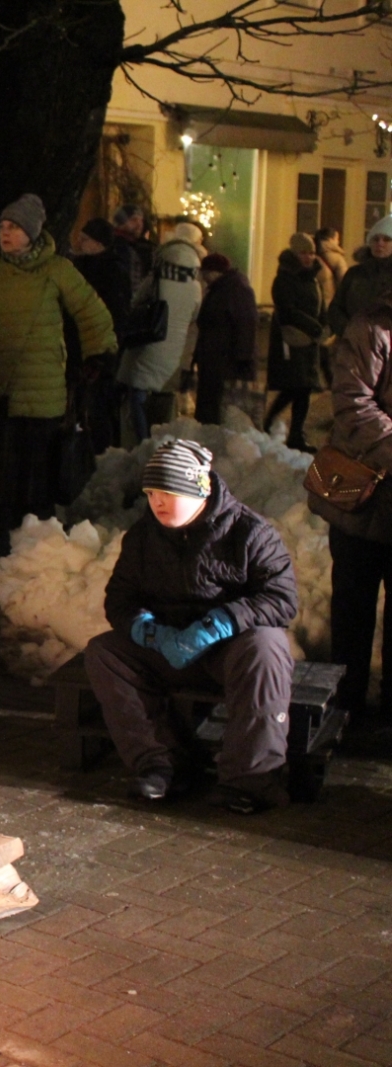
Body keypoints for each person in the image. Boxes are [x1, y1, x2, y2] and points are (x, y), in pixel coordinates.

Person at [86, 439, 297, 814]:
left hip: (229, 650)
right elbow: (120, 599)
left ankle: (249, 779)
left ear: (200, 490)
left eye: (168, 492)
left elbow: (281, 599)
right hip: (168, 648)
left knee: (267, 646)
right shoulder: (143, 537)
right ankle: (160, 763)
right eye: (151, 493)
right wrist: (147, 630)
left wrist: (222, 622)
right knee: (105, 652)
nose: (158, 502)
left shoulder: (250, 533)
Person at [0, 194, 115, 560]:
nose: (6, 233)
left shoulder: (57, 271)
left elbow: (90, 312)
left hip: (41, 395)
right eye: (3, 227)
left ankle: (35, 546)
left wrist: (98, 355)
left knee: (35, 474)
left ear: (32, 233)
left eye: (14, 227)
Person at [310, 283, 392, 746]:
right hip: (362, 501)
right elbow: (354, 405)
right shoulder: (370, 329)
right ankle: (345, 708)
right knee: (354, 610)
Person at [116, 222, 202, 444]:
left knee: (137, 391)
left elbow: (136, 302)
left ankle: (142, 439)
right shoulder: (195, 287)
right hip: (174, 347)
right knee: (163, 395)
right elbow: (194, 315)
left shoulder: (156, 279)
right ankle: (162, 440)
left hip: (149, 340)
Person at [70, 217, 132, 451]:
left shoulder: (110, 271)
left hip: (101, 349)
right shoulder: (83, 265)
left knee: (98, 406)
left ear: (98, 243)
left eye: (85, 239)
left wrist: (104, 352)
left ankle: (101, 453)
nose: (79, 241)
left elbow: (115, 315)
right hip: (86, 346)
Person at [263, 233, 329, 452]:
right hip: (292, 341)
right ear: (294, 253)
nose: (309, 257)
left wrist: (323, 324)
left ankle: (295, 434)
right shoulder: (285, 278)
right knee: (295, 386)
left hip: (309, 341)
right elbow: (288, 309)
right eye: (304, 252)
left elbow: (319, 304)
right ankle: (273, 423)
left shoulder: (311, 277)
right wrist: (315, 326)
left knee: (303, 388)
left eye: (311, 252)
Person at [190, 253, 259, 426]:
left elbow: (246, 324)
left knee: (223, 409)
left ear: (214, 271)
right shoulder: (220, 289)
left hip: (226, 361)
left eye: (205, 272)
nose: (203, 277)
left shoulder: (235, 290)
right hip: (215, 360)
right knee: (213, 407)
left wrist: (243, 359)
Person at [328, 215, 392, 338]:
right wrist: (348, 330)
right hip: (354, 343)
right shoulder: (355, 274)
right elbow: (336, 307)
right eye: (375, 239)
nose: (380, 243)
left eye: (387, 239)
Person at [114, 204, 156, 304]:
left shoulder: (144, 247)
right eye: (133, 220)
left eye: (141, 220)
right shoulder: (114, 245)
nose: (139, 224)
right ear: (121, 222)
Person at [314, 226, 347, 310]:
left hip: (312, 304)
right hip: (329, 304)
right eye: (337, 239)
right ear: (330, 240)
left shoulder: (310, 256)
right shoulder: (337, 258)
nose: (338, 242)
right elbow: (344, 284)